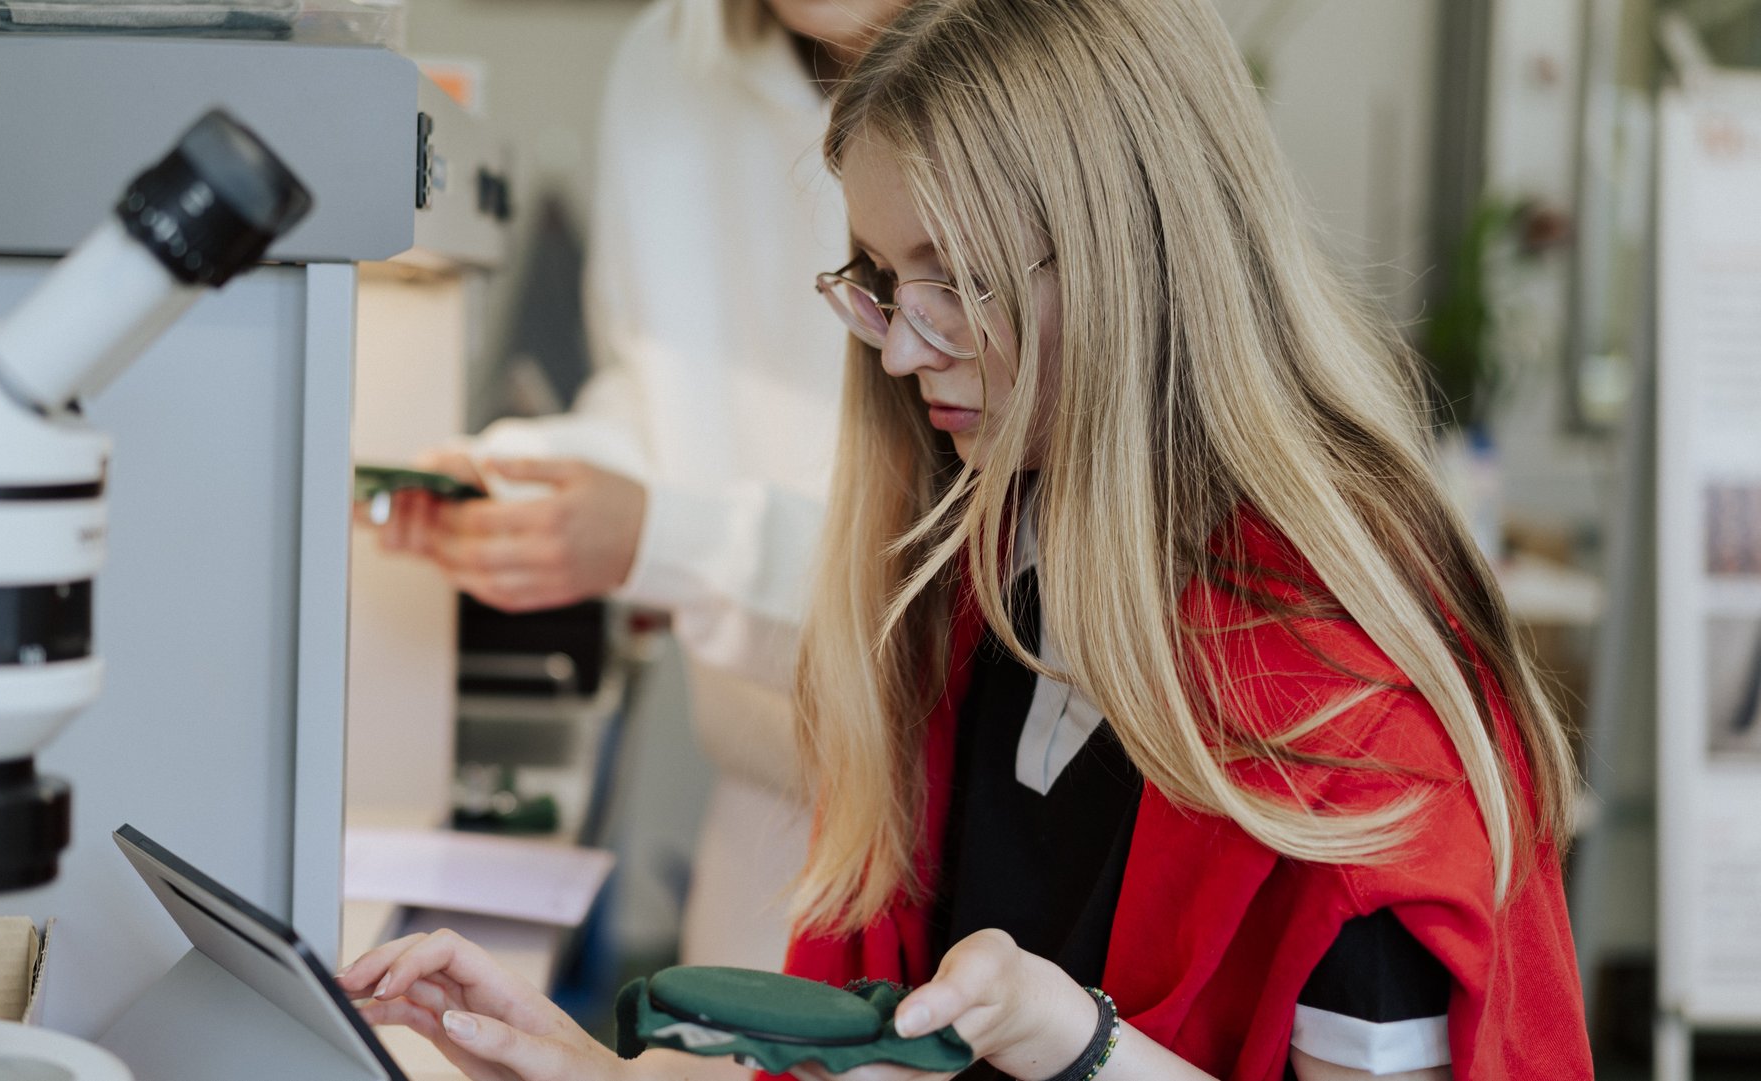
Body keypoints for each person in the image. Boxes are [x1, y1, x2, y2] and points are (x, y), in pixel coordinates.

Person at [342, 1, 1595, 1079]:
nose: (900, 347)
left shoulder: (1352, 725)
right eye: (884, 282)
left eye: (957, 281)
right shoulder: (974, 598)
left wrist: (1084, 1048)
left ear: (1131, 256)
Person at [376, 0, 911, 971]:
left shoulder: (1045, 66)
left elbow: (963, 576)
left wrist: (658, 538)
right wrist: (540, 481)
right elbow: (652, 384)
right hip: (768, 795)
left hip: (968, 805)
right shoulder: (667, 63)